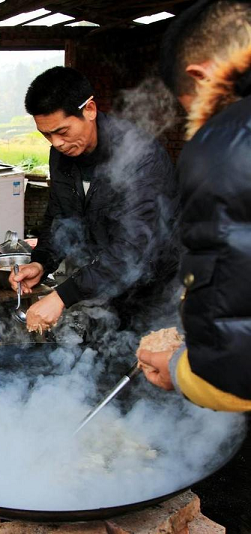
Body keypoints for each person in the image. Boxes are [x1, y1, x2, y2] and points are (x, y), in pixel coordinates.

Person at [136, 0, 251, 411]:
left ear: (202, 76)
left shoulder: (229, 144)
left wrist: (181, 369)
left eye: (192, 110)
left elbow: (234, 370)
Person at [10, 67, 180, 335]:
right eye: (46, 135)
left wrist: (63, 296)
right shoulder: (62, 156)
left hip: (154, 292)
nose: (57, 144)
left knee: (148, 367)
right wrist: (41, 262)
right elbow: (59, 215)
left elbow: (133, 249)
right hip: (105, 288)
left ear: (89, 109)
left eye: (62, 131)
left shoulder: (140, 157)